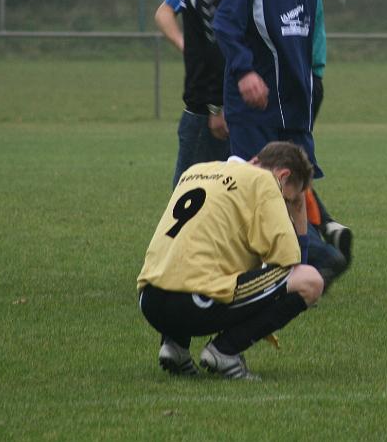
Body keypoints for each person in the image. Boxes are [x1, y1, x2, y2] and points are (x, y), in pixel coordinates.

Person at [137, 141, 324, 380]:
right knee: (310, 280)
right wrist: (299, 217)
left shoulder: (196, 171)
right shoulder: (264, 181)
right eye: (287, 200)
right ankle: (224, 352)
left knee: (202, 258)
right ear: (283, 175)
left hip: (149, 300)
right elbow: (290, 262)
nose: (285, 206)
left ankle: (175, 347)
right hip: (193, 304)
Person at [212, 0, 325, 255]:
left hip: (294, 105)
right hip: (253, 105)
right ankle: (245, 268)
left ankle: (298, 267)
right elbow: (225, 23)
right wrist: (245, 72)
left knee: (297, 190)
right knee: (255, 191)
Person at [151, 0, 239, 187]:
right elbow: (165, 14)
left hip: (206, 113)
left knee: (185, 203)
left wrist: (216, 107)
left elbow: (219, 45)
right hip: (222, 107)